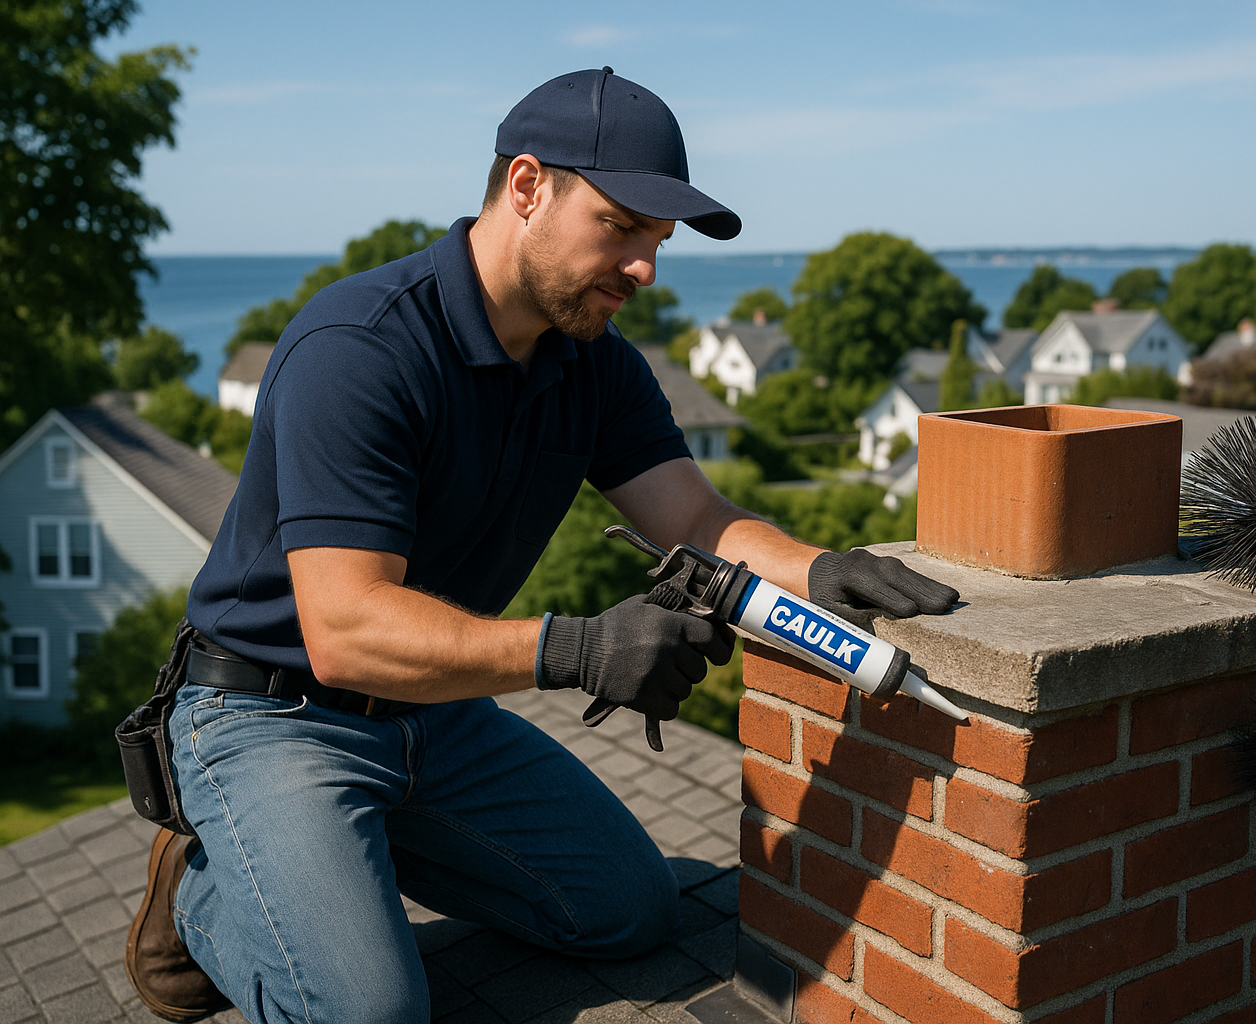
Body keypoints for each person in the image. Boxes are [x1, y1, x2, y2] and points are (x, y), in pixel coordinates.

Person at [124, 68, 958, 1024]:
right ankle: (202, 895)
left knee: (629, 911)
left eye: (658, 241)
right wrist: (580, 650)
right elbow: (345, 630)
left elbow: (695, 520)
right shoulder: (359, 348)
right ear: (527, 186)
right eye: (622, 227)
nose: (646, 268)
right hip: (272, 712)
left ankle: (341, 855)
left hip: (432, 712)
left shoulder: (593, 366)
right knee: (373, 1013)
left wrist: (818, 567)